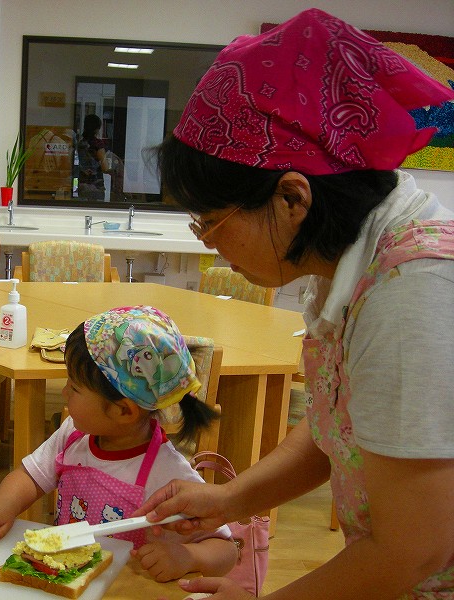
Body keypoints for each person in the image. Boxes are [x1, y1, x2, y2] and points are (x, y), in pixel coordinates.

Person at [133, 8, 454, 599]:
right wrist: (230, 499)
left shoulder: (412, 294)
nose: (210, 245)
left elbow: (413, 549)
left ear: (292, 198)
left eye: (212, 222)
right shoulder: (350, 263)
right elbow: (340, 421)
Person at [0, 306, 238, 582]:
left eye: (74, 387)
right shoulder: (73, 435)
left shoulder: (169, 474)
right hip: (67, 579)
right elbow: (30, 476)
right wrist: (3, 505)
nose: (64, 392)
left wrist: (189, 557)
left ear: (124, 410)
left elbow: (226, 549)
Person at [76, 113, 112, 200]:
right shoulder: (98, 144)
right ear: (97, 129)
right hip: (96, 184)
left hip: (82, 183)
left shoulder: (80, 144)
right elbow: (105, 168)